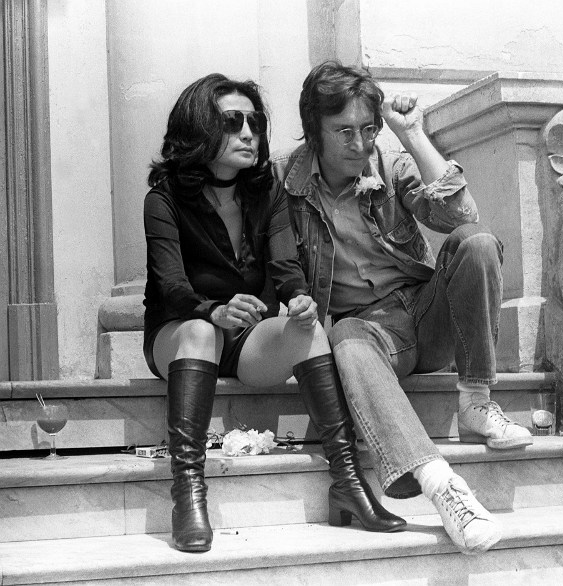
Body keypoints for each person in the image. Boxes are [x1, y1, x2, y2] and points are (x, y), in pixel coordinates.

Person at [272, 61, 534, 556]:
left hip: (426, 312)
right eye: (344, 131)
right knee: (345, 336)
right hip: (369, 332)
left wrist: (412, 134)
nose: (359, 143)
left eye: (368, 129)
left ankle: (476, 399)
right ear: (314, 129)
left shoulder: (389, 164)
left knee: (476, 242)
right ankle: (443, 487)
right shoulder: (286, 179)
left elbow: (461, 214)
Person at [143, 73, 405, 553]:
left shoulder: (268, 192)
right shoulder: (163, 199)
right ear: (200, 127)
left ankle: (347, 482)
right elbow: (171, 286)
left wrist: (300, 298)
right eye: (233, 121)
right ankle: (188, 493)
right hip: (180, 335)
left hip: (247, 341)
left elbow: (286, 268)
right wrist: (212, 310)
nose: (248, 133)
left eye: (255, 122)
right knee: (200, 332)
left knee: (309, 330)